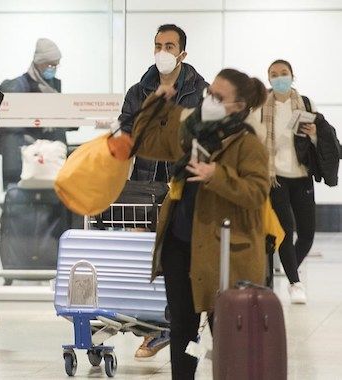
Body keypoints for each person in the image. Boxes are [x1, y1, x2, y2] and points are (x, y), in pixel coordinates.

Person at [110, 68, 269, 379]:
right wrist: (154, 104)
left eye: (219, 98)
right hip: (180, 243)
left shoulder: (248, 144)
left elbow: (257, 193)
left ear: (238, 107)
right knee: (182, 325)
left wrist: (216, 176)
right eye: (210, 94)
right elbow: (145, 141)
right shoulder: (192, 129)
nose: (209, 101)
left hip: (223, 250)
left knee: (224, 325)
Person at [118, 24, 208, 360]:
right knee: (147, 261)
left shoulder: (201, 90)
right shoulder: (140, 89)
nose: (163, 51)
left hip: (182, 187)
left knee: (179, 261)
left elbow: (205, 134)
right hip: (143, 185)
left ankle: (176, 326)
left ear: (182, 53)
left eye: (170, 46)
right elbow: (127, 129)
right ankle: (154, 329)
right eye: (158, 45)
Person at [254, 60, 320, 304]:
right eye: (274, 74)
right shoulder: (261, 106)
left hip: (302, 176)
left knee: (307, 234)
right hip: (275, 177)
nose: (279, 77)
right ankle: (295, 283)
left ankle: (289, 267)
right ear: (268, 78)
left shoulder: (306, 104)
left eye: (283, 73)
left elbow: (319, 144)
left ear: (293, 76)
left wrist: (313, 135)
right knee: (284, 232)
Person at [0, 38, 68, 189]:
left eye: (56, 65)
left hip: (51, 165)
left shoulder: (54, 88)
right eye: (49, 64)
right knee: (21, 204)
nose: (53, 68)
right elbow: (4, 125)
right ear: (38, 62)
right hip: (23, 164)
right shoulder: (17, 87)